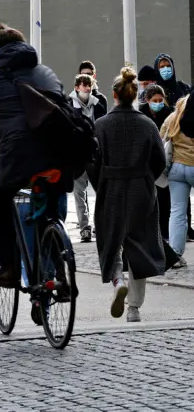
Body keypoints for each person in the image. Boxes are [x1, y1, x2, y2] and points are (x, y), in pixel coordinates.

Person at [0, 23, 69, 288]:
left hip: (19, 152)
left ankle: (8, 266)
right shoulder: (45, 72)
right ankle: (60, 273)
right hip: (61, 151)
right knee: (50, 208)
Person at [90, 67, 166, 323]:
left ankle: (118, 280)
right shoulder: (147, 124)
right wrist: (147, 179)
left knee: (111, 241)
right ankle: (134, 307)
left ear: (114, 94)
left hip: (111, 187)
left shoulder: (100, 125)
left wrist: (101, 184)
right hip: (140, 189)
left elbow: (92, 162)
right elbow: (159, 160)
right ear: (135, 95)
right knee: (139, 245)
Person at [154, 53, 194, 242]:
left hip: (176, 167)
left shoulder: (172, 117)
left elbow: (161, 138)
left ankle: (175, 251)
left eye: (167, 65)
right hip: (192, 164)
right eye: (161, 66)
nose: (165, 69)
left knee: (176, 211)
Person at [69, 73, 106, 242]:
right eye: (83, 85)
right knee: (79, 192)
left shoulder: (98, 103)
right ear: (76, 87)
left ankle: (99, 224)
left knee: (100, 191)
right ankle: (84, 227)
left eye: (89, 85)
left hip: (94, 154)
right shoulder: (69, 104)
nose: (87, 88)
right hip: (77, 155)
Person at [140, 84, 173, 240]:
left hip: (163, 159)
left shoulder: (168, 113)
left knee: (164, 197)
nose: (158, 103)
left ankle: (164, 231)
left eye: (161, 100)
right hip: (146, 160)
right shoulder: (141, 113)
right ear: (147, 100)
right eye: (155, 100)